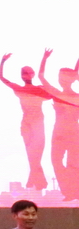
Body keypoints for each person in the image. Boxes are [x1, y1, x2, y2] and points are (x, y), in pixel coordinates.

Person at [0, 51, 52, 190]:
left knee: (36, 153)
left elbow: (48, 88)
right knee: (31, 153)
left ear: (32, 75)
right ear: (22, 76)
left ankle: (34, 181)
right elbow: (1, 77)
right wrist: (3, 61)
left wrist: (44, 59)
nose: (26, 75)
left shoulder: (39, 90)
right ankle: (39, 182)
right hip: (28, 123)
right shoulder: (21, 89)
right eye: (24, 73)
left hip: (37, 123)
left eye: (28, 73)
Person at [37, 48, 79, 200]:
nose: (60, 79)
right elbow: (41, 77)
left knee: (73, 162)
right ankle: (69, 191)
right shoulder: (57, 93)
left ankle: (74, 192)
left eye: (63, 77)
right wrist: (44, 58)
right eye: (60, 77)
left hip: (72, 131)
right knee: (57, 160)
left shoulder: (75, 97)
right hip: (59, 132)